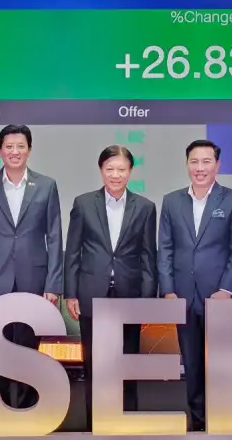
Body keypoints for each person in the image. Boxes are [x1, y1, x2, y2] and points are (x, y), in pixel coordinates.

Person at [0, 124, 64, 409]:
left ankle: (30, 406)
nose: (15, 151)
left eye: (20, 146)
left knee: (31, 345)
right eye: (9, 146)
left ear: (29, 150)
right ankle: (2, 406)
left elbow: (55, 237)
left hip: (35, 277)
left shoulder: (46, 185)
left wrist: (53, 284)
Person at [158, 139, 232, 432]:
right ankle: (198, 422)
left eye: (206, 161)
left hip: (220, 297)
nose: (200, 168)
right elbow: (165, 249)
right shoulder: (171, 201)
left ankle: (222, 421)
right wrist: (168, 290)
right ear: (187, 165)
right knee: (192, 363)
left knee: (221, 364)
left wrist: (227, 289)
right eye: (194, 162)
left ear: (217, 165)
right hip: (182, 296)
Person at [64, 145, 158, 429]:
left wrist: (147, 298)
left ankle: (128, 421)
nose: (115, 175)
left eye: (121, 169)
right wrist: (71, 293)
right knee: (95, 364)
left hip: (130, 295)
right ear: (101, 170)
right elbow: (73, 252)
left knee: (127, 363)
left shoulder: (145, 207)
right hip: (91, 293)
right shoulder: (83, 204)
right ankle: (95, 424)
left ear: (130, 171)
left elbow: (148, 256)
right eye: (110, 169)